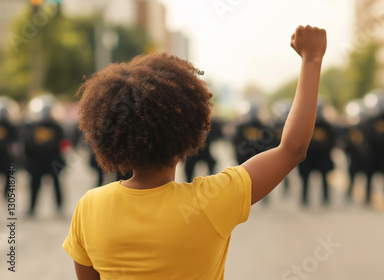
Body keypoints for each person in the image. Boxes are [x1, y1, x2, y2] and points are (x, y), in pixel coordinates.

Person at [63, 25, 327, 279]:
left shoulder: (89, 207)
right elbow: (293, 149)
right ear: (189, 130)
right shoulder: (209, 202)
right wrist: (312, 60)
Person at [23, 95, 69, 216]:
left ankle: (59, 208)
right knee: (34, 185)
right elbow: (26, 144)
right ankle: (31, 208)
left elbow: (63, 144)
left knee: (57, 185)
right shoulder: (31, 126)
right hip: (37, 163)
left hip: (53, 161)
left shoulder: (56, 127)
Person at [298, 103, 335, 206]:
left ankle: (326, 198)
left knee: (324, 179)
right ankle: (304, 198)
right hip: (308, 157)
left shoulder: (327, 126)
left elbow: (331, 142)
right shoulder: (306, 124)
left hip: (322, 157)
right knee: (305, 180)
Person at [0, 97, 18, 200]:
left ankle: (7, 195)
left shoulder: (11, 126)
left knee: (9, 176)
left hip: (7, 155)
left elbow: (15, 141)